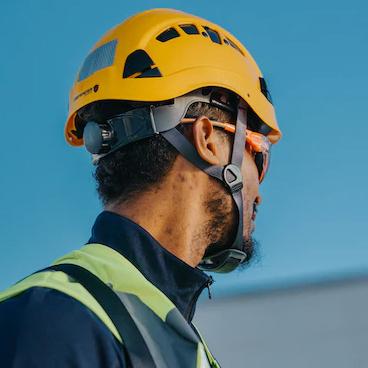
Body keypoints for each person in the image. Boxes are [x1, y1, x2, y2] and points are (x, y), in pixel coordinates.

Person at [0, 8, 281, 368]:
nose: (260, 189)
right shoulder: (54, 323)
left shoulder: (171, 338)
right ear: (208, 139)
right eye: (259, 152)